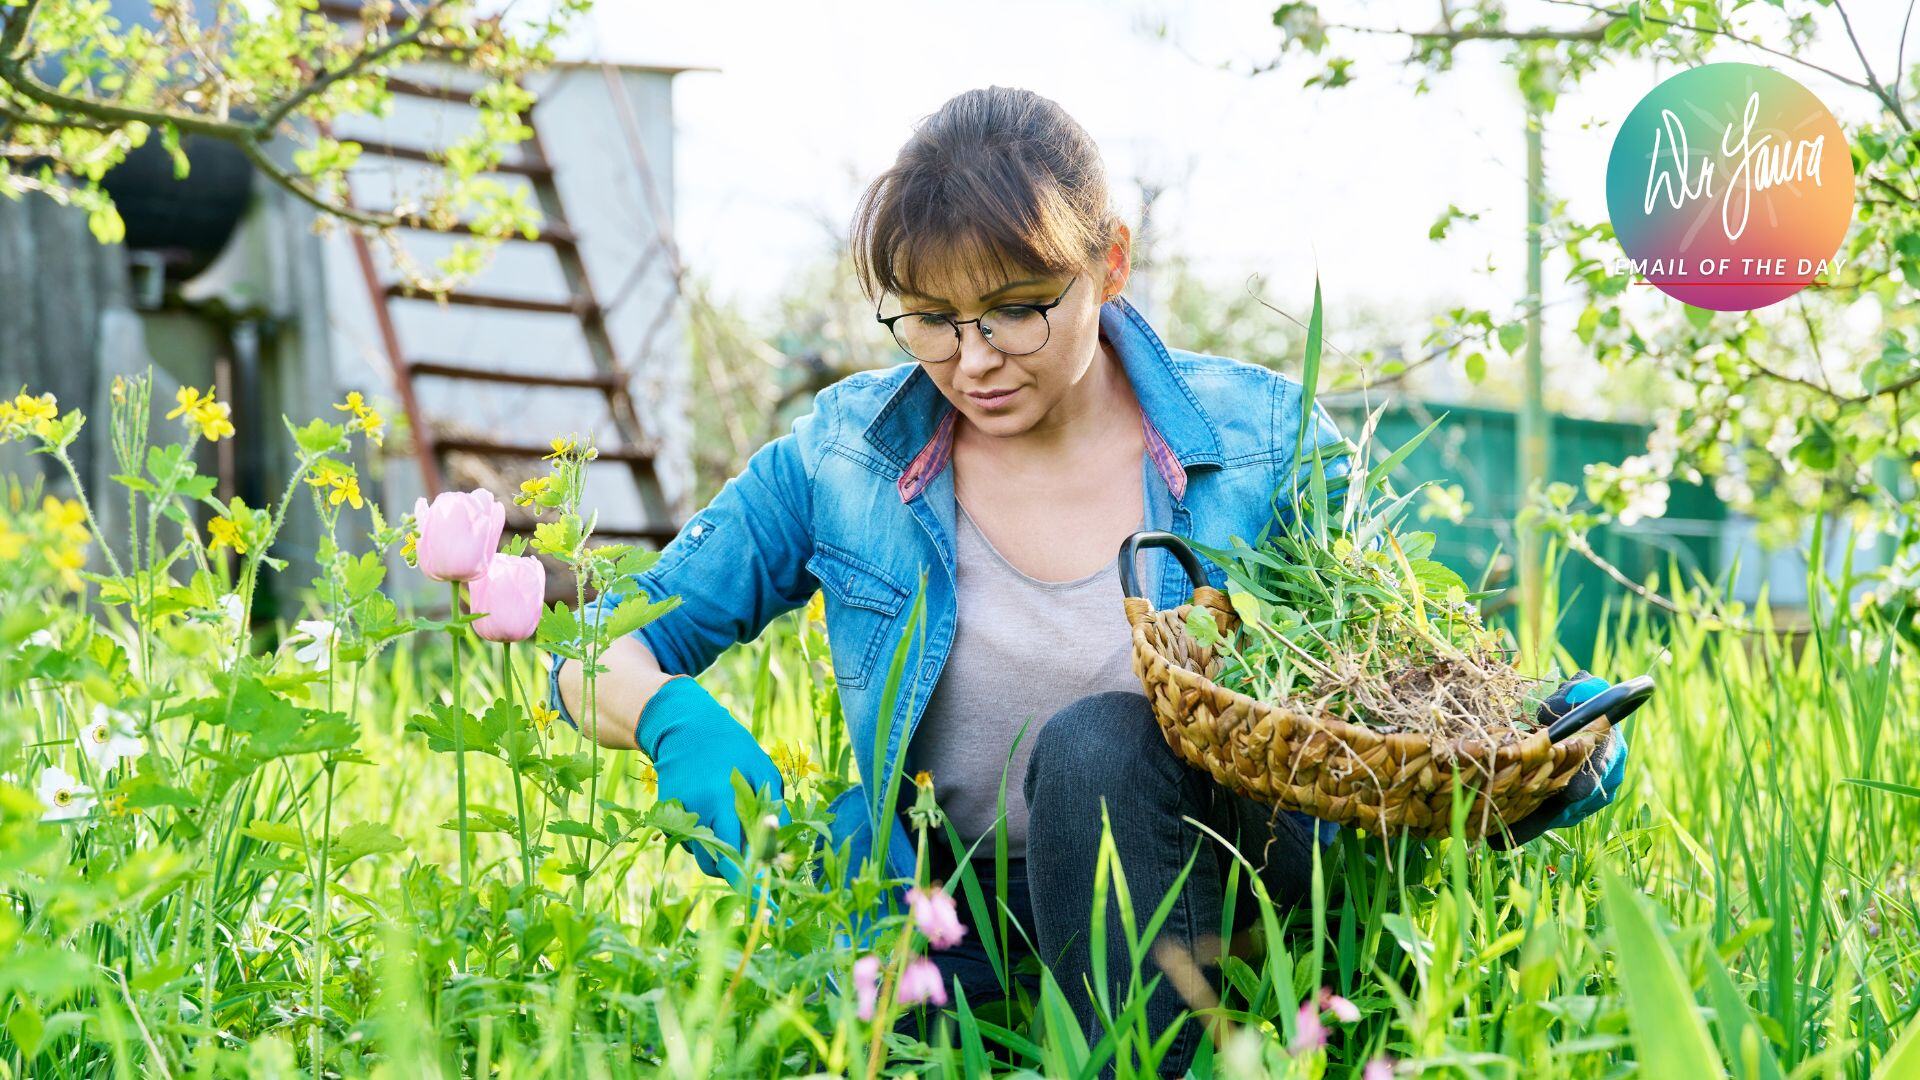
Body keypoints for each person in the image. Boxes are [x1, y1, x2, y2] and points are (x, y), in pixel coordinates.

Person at [547, 85, 1628, 1077]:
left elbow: (1388, 679)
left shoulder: (1259, 442)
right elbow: (598, 647)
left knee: (1099, 743)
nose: (973, 360)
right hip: (947, 913)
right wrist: (671, 718)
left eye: (1018, 307)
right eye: (929, 317)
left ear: (1109, 263)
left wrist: (1529, 748)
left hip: (1222, 898)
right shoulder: (846, 457)